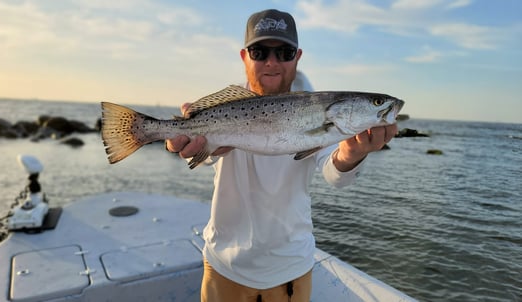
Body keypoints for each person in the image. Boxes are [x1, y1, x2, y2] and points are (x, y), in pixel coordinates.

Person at [166, 9, 398, 302]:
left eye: (284, 52)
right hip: (225, 264)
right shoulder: (227, 102)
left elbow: (333, 173)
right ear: (244, 56)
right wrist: (174, 142)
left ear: (297, 56)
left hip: (291, 268)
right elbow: (196, 153)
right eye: (260, 51)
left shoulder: (318, 106)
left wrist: (352, 152)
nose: (271, 62)